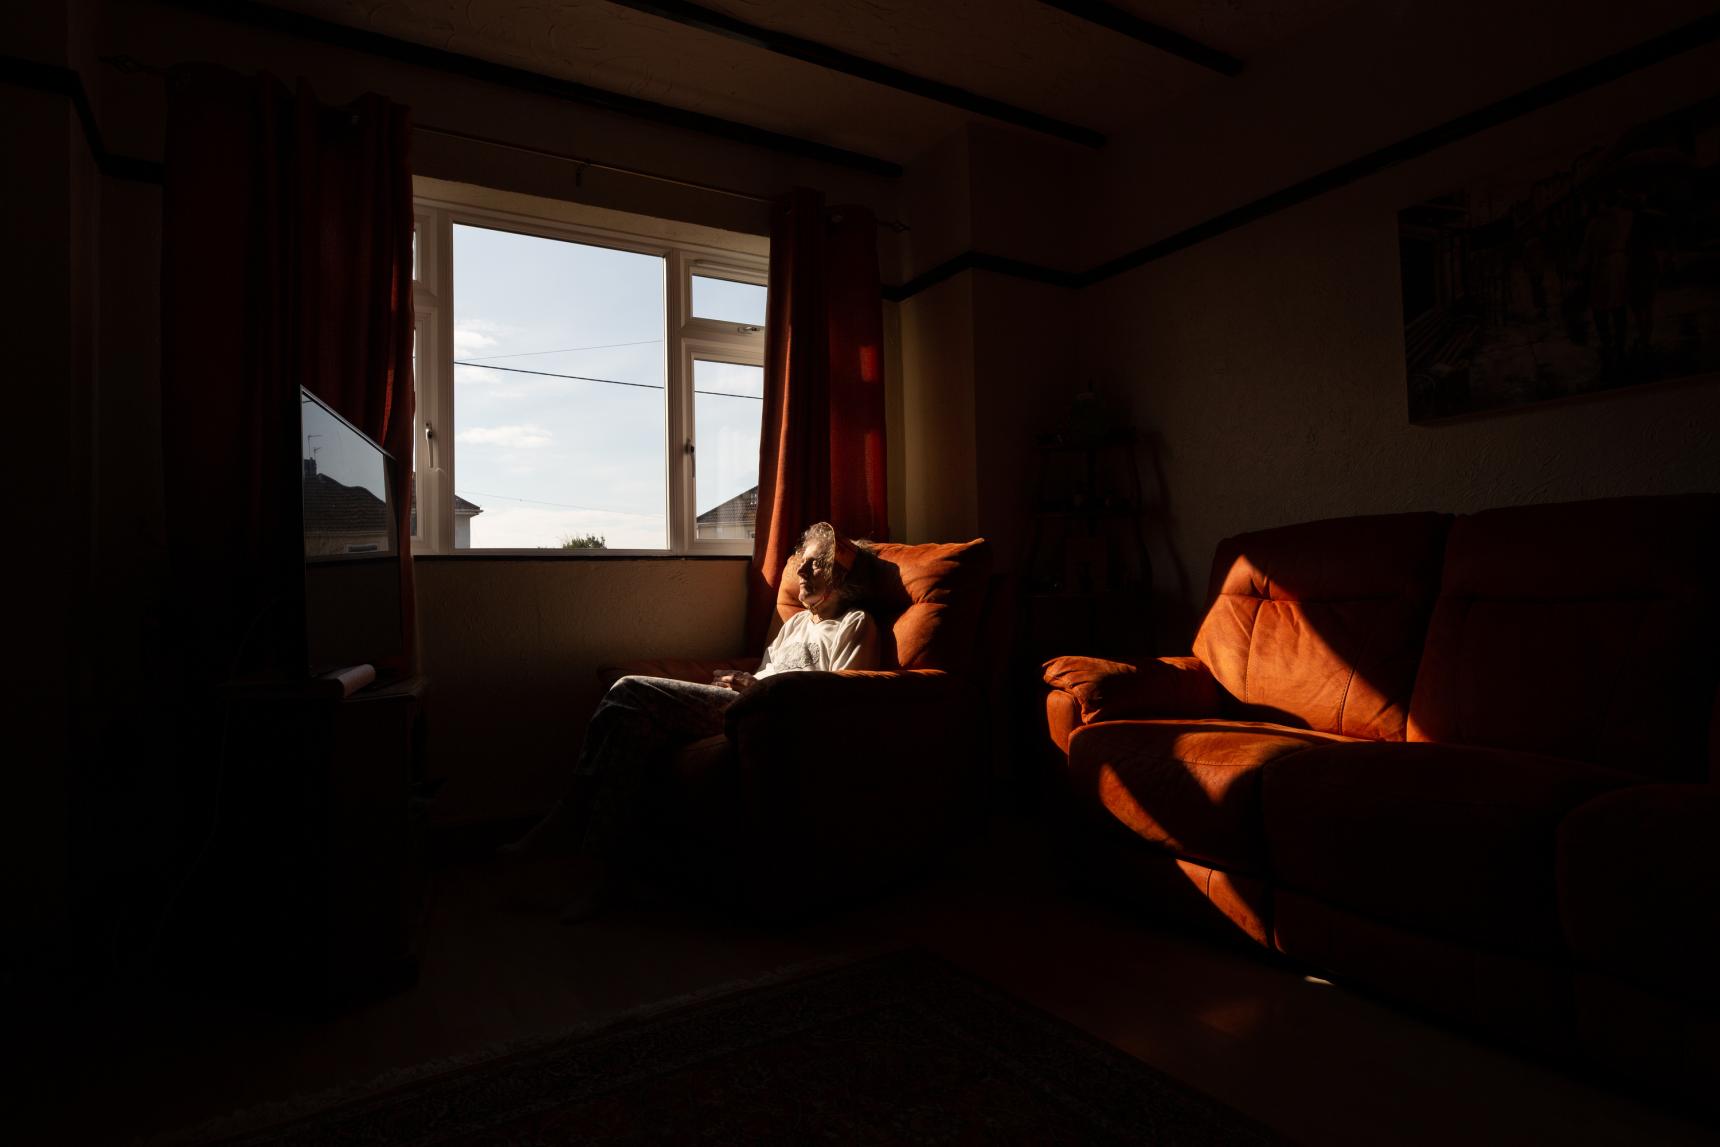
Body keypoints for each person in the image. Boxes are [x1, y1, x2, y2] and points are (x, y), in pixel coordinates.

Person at [501, 521, 882, 919]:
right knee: (631, 723)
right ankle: (608, 879)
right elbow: (765, 669)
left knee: (630, 690)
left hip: (772, 718)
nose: (800, 572)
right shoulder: (797, 624)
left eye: (814, 566)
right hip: (742, 705)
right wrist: (735, 681)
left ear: (841, 578)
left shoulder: (856, 624)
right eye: (801, 564)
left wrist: (753, 688)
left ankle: (567, 817)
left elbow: (840, 700)